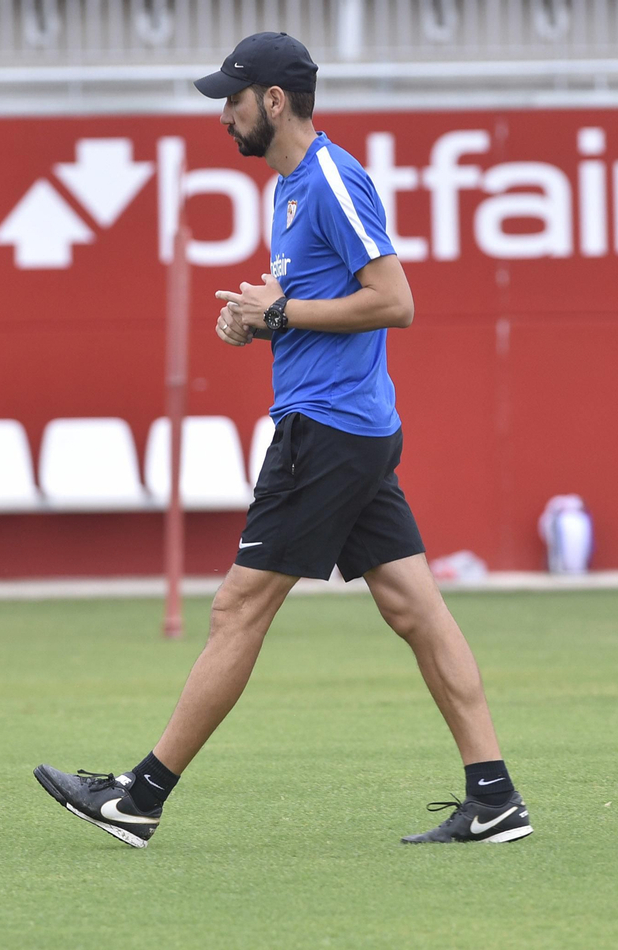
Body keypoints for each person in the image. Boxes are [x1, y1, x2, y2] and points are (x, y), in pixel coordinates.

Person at [33, 32, 531, 848]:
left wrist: (280, 315)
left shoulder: (328, 177)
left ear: (273, 100)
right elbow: (319, 308)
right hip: (350, 427)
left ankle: (140, 797)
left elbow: (395, 301)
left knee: (238, 609)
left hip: (327, 432)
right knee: (417, 609)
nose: (222, 116)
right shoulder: (291, 187)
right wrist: (263, 322)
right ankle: (495, 795)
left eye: (231, 99)